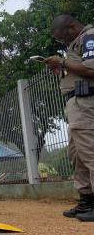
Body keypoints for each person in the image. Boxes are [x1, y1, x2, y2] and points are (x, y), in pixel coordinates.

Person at [45, 15, 94, 221]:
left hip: (86, 102)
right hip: (75, 104)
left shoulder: (89, 37)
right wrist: (61, 69)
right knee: (77, 155)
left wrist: (63, 61)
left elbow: (91, 68)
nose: (62, 42)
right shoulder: (76, 42)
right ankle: (87, 202)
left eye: (61, 38)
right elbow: (78, 71)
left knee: (90, 153)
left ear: (72, 27)